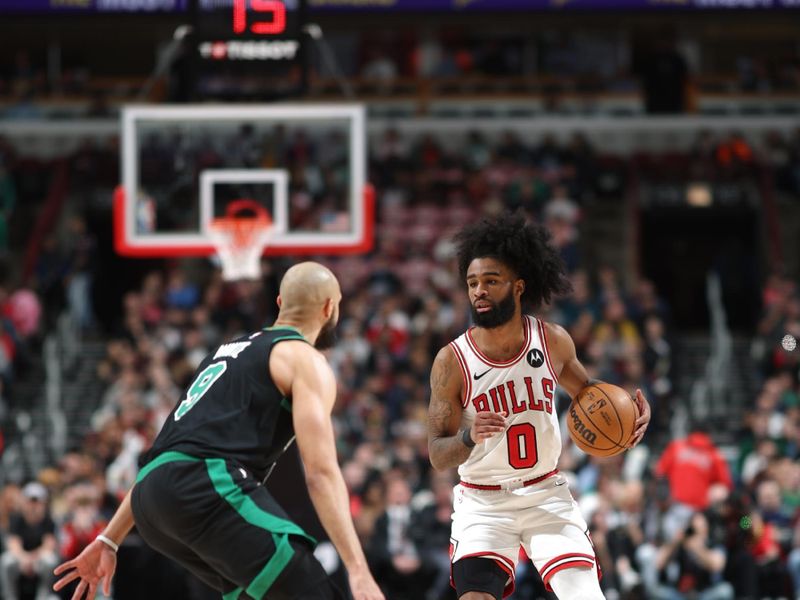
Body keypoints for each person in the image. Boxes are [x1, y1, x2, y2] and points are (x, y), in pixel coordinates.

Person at [52, 262, 384, 600]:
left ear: (280, 303)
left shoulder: (224, 353)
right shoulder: (305, 359)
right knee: (312, 589)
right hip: (204, 485)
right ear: (330, 308)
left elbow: (169, 454)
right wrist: (358, 570)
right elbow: (321, 473)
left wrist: (110, 538)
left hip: (149, 500)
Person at [427, 214, 651, 600]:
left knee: (585, 595)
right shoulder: (452, 362)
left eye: (490, 281)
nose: (479, 291)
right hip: (483, 502)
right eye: (472, 283)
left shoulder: (552, 342)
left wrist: (628, 415)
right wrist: (468, 436)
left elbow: (591, 397)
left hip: (545, 492)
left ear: (518, 287)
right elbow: (436, 453)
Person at [0, 481, 58, 600]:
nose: (33, 505)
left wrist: (32, 559)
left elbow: (49, 545)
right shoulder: (16, 518)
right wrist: (24, 558)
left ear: (43, 503)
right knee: (6, 561)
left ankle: (43, 597)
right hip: (20, 559)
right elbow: (13, 543)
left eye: (37, 502)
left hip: (38, 559)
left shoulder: (48, 520)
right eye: (30, 501)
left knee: (50, 560)